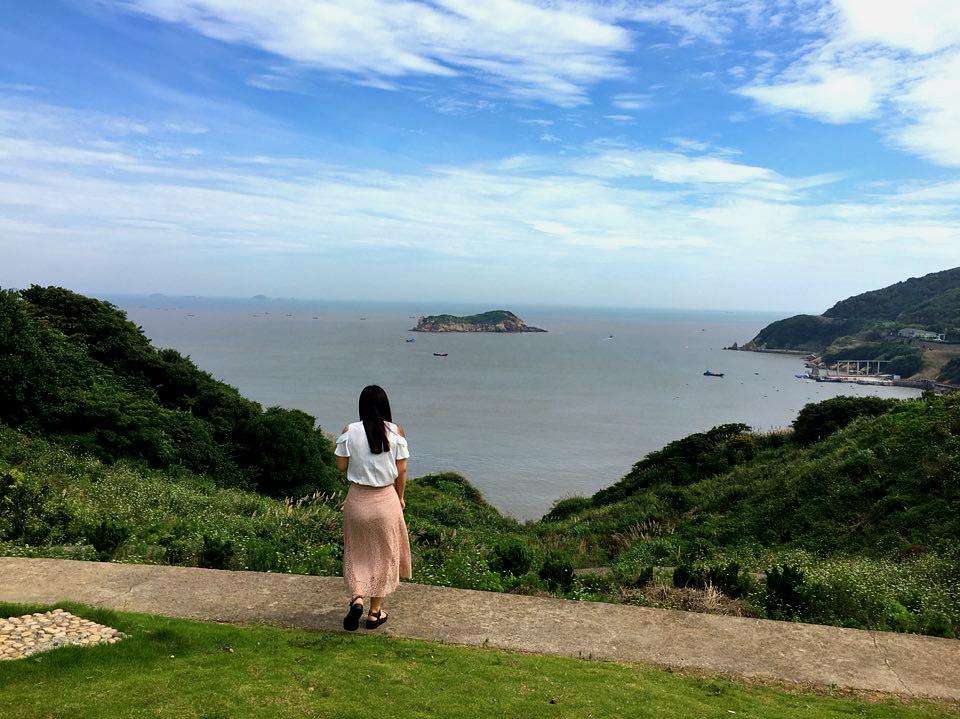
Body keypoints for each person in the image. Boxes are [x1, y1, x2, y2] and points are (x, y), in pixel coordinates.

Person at [335, 384, 412, 630]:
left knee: (356, 552)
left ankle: (357, 598)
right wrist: (400, 497)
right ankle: (374, 612)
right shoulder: (396, 432)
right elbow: (402, 470)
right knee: (384, 556)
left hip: (357, 500)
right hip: (385, 500)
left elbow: (340, 466)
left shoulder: (349, 430)